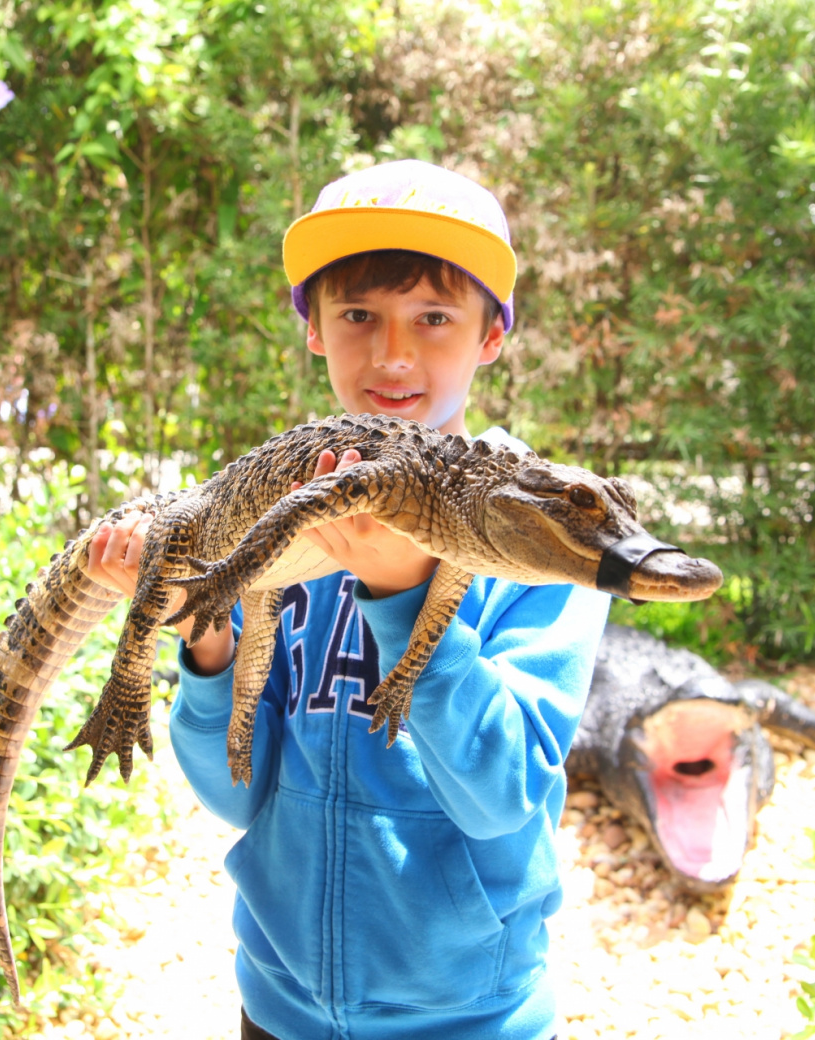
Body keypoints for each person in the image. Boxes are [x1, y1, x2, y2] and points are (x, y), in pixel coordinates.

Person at [84, 159, 611, 1040]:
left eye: (435, 318)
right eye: (358, 315)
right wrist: (205, 640)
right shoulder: (286, 504)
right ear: (315, 331)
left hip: (471, 1018)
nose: (394, 353)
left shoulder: (544, 534)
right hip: (279, 1009)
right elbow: (234, 795)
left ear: (491, 336)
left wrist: (402, 592)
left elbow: (505, 798)